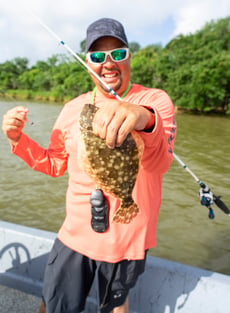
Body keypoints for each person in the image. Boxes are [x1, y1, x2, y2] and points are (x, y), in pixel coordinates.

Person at [2, 17, 176, 313]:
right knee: (54, 305)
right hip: (74, 235)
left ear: (129, 56)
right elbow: (55, 163)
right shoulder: (72, 108)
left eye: (117, 53)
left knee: (116, 308)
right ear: (87, 62)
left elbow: (160, 163)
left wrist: (142, 117)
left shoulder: (154, 101)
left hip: (127, 238)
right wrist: (18, 139)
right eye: (98, 56)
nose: (108, 63)